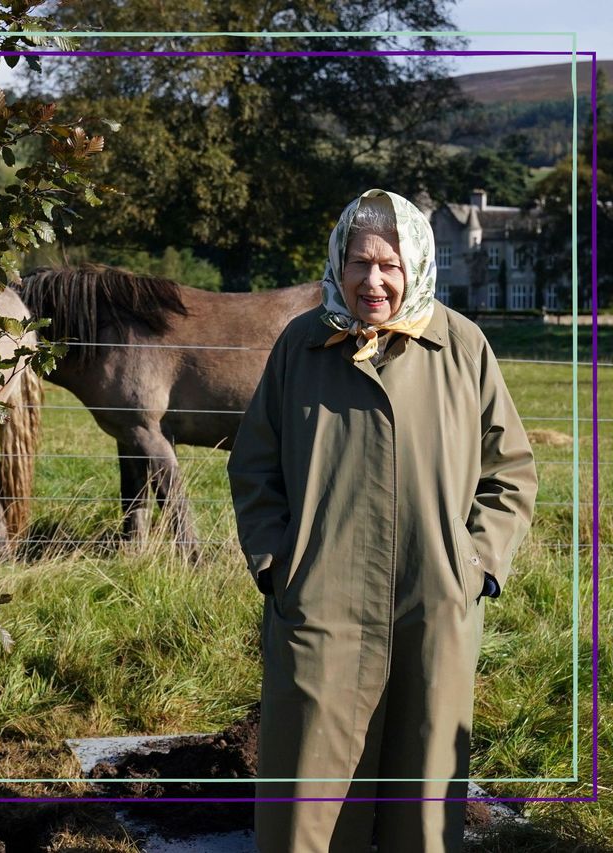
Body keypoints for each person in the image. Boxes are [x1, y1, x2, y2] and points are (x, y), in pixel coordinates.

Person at [227, 188, 537, 852]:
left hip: (434, 605)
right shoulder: (301, 346)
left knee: (421, 803)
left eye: (390, 264)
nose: (374, 280)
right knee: (308, 804)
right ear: (339, 262)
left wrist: (476, 565)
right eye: (361, 263)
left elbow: (509, 470)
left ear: (416, 264)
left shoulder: (462, 346)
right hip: (320, 606)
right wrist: (279, 563)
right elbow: (254, 466)